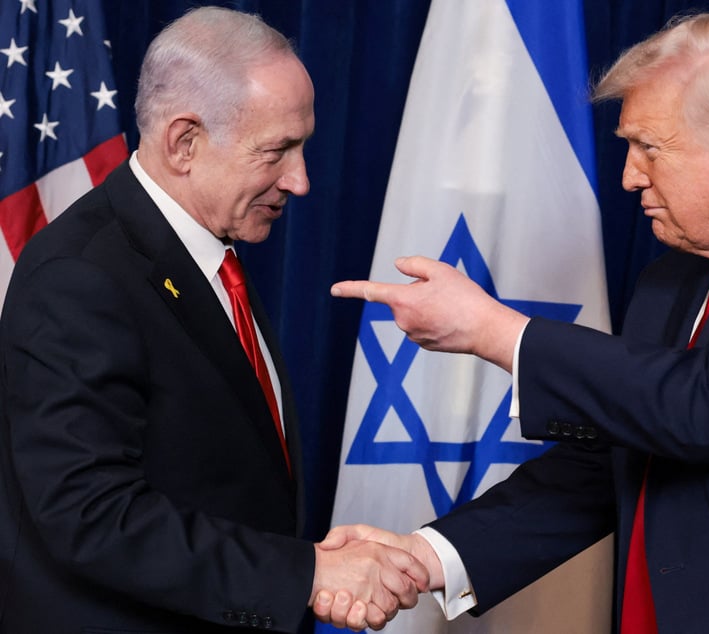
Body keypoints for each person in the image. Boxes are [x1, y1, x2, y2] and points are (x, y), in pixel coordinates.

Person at [320, 10, 709, 634]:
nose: (628, 176)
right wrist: (425, 557)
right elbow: (607, 464)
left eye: (648, 147)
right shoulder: (672, 278)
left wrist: (498, 333)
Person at [0, 7, 426, 633]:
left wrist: (302, 564)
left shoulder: (203, 247)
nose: (301, 180)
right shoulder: (80, 276)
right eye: (278, 150)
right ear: (184, 143)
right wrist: (304, 574)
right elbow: (89, 516)